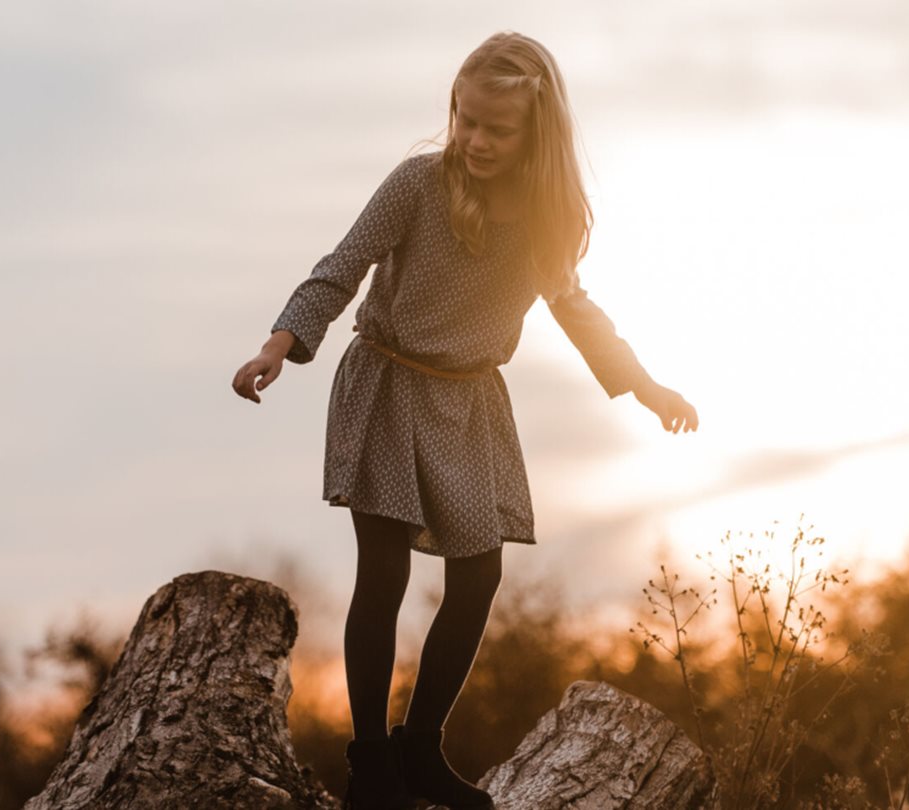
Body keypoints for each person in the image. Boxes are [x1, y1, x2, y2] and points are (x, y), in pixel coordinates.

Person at [232, 32, 698, 810]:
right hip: (386, 383)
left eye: (497, 128)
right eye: (465, 119)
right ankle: (372, 765)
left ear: (536, 135)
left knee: (478, 576)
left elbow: (577, 311)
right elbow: (340, 266)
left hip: (470, 400)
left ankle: (421, 749)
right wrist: (279, 345)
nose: (475, 139)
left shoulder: (547, 222)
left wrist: (645, 387)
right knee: (383, 573)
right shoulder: (418, 184)